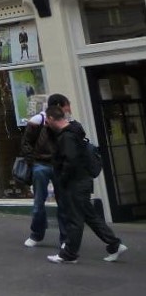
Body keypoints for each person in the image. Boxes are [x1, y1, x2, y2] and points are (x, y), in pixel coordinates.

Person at [45, 104, 127, 264]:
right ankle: (114, 244)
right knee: (90, 216)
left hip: (75, 182)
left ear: (51, 118)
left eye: (47, 121)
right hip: (83, 180)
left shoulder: (66, 137)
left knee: (75, 219)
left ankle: (69, 254)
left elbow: (70, 161)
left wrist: (62, 179)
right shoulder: (74, 131)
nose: (47, 125)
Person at [22, 93, 70, 248]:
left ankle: (65, 239)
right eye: (66, 105)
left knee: (63, 202)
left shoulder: (66, 122)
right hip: (41, 165)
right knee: (38, 203)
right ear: (59, 106)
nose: (69, 109)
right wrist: (33, 161)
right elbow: (26, 142)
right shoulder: (38, 120)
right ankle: (37, 234)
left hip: (58, 165)